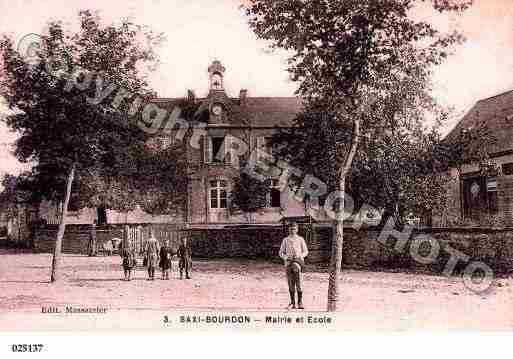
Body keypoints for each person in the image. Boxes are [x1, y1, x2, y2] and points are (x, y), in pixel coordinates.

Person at [279, 222, 309, 310]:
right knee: (290, 283)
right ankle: (292, 302)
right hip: (288, 263)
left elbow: (306, 251)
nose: (293, 230)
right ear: (289, 229)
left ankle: (300, 302)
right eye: (291, 229)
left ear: (297, 229)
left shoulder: (300, 239)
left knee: (299, 283)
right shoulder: (285, 240)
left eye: (294, 229)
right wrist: (286, 257)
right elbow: (280, 252)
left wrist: (300, 256)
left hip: (298, 262)